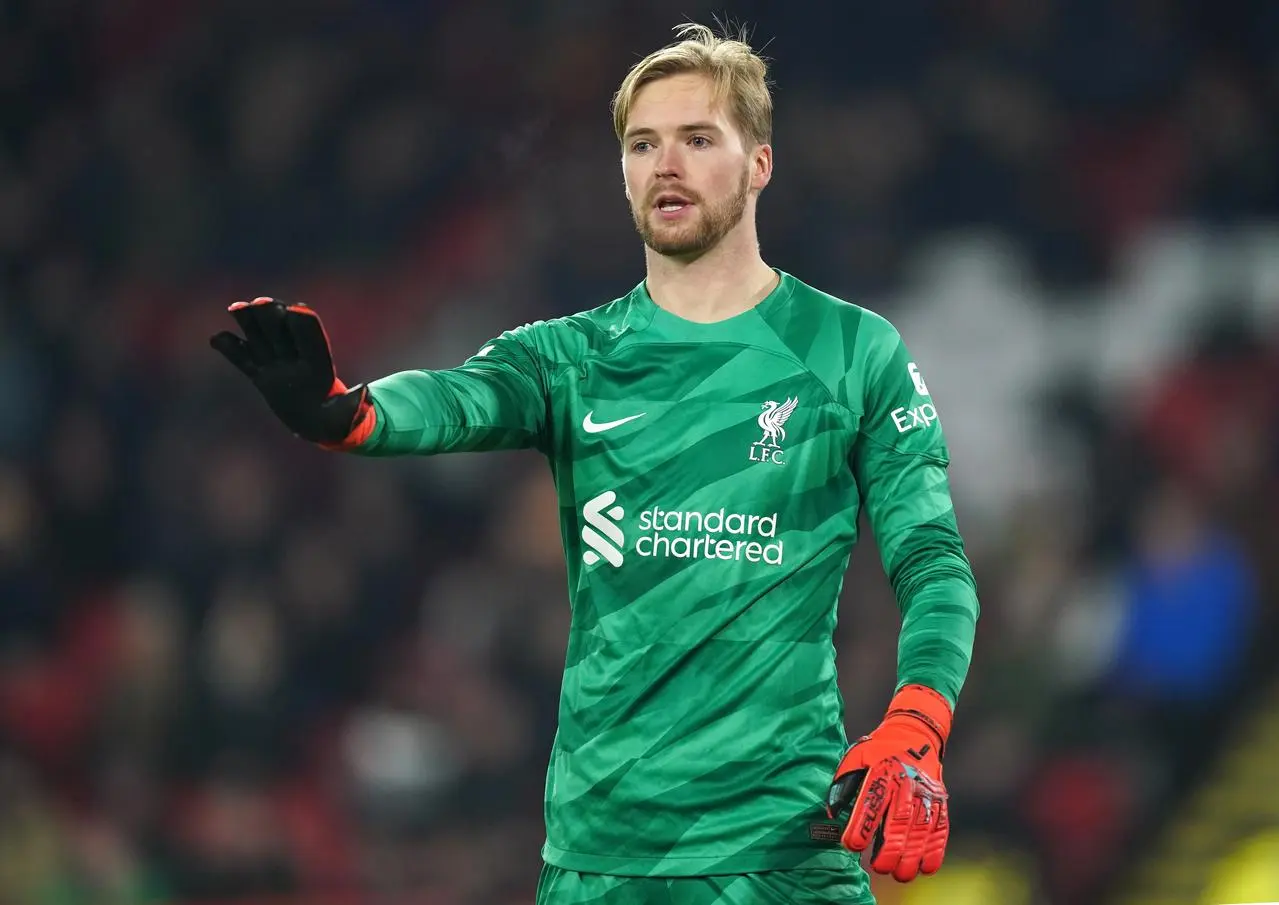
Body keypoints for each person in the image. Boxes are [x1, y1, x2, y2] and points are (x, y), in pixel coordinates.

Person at [210, 22, 979, 905]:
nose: (666, 164)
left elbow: (933, 560)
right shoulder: (572, 356)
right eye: (643, 144)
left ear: (759, 163)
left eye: (697, 139)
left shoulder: (851, 350)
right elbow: (457, 400)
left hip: (782, 854)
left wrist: (918, 718)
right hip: (604, 860)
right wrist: (348, 413)